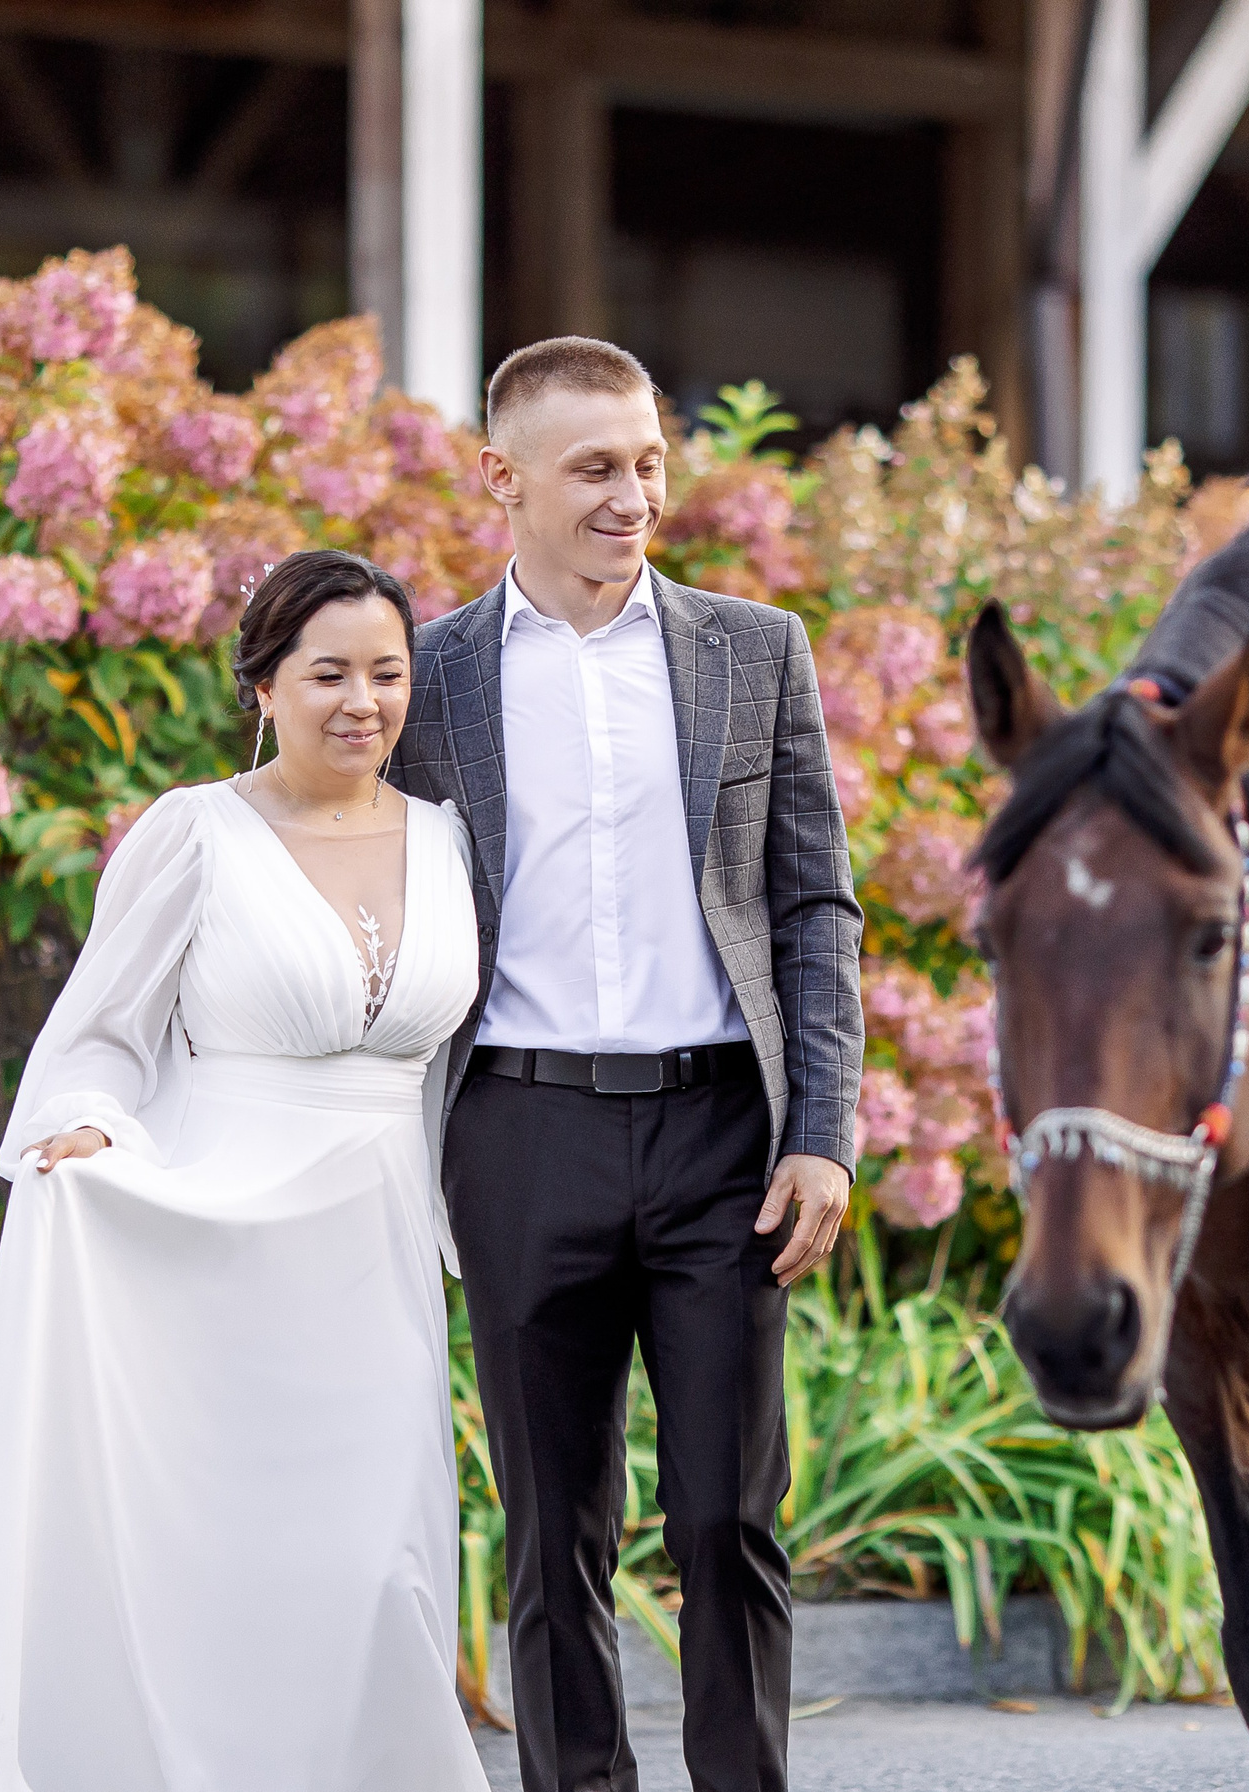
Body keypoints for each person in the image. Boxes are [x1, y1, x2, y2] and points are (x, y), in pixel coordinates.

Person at [0, 552, 490, 1791]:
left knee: (377, 1566)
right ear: (263, 685)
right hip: (220, 1244)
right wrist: (91, 1127)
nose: (362, 701)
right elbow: (98, 1033)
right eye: (327, 673)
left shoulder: (451, 838)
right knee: (219, 1561)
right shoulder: (195, 833)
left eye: (386, 673)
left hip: (376, 1258)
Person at [388, 336, 864, 1792]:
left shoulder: (753, 650)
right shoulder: (431, 676)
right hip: (519, 1135)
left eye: (650, 462)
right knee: (554, 1535)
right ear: (504, 478)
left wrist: (824, 1131)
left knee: (728, 1521)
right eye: (595, 467)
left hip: (725, 1137)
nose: (634, 495)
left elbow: (815, 903)